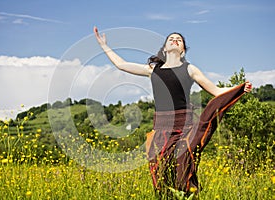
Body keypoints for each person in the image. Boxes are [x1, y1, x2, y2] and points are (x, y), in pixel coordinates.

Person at [93, 26, 252, 197]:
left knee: (183, 161)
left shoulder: (190, 69)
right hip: (161, 128)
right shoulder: (153, 69)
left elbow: (216, 91)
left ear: (182, 50)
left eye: (179, 39)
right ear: (165, 48)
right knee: (160, 169)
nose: (175, 40)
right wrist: (104, 46)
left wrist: (240, 88)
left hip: (185, 127)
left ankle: (190, 194)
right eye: (171, 38)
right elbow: (121, 65)